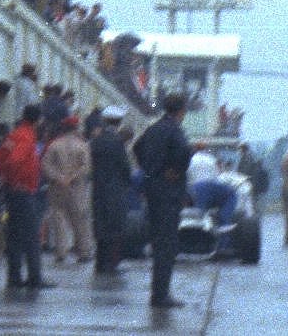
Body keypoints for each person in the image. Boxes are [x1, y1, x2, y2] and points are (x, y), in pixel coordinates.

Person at [133, 93, 192, 308]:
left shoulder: (153, 128)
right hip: (169, 193)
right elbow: (185, 152)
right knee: (167, 244)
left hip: (152, 190)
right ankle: (161, 294)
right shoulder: (175, 130)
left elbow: (137, 148)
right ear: (182, 110)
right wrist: (175, 170)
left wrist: (149, 170)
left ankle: (158, 292)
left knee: (158, 241)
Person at [0, 104, 55, 290]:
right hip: (24, 192)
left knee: (14, 237)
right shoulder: (27, 138)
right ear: (38, 120)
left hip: (13, 192)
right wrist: (16, 179)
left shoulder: (14, 134)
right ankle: (35, 278)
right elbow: (14, 160)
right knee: (32, 236)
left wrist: (7, 179)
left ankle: (14, 277)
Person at [42, 115, 93, 264]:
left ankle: (61, 252)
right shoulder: (82, 145)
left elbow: (45, 164)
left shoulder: (54, 145)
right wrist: (73, 177)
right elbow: (86, 166)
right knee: (80, 219)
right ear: (76, 128)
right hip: (76, 187)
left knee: (59, 218)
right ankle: (83, 251)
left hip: (57, 187)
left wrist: (58, 177)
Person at [90, 105, 130, 274]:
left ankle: (100, 262)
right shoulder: (118, 143)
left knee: (100, 225)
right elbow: (125, 167)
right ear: (119, 122)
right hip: (115, 189)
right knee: (114, 227)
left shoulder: (96, 141)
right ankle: (111, 264)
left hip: (98, 188)